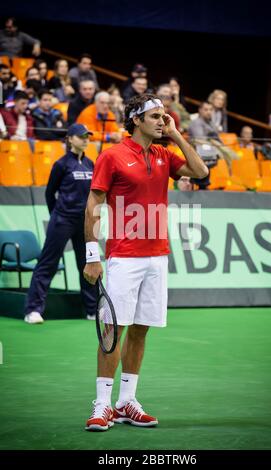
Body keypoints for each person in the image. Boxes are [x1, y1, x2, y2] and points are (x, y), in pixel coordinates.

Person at [83, 93, 208, 431]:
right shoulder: (112, 156)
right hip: (124, 256)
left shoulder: (164, 154)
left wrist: (176, 135)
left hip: (157, 257)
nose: (161, 120)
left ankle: (126, 402)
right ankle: (101, 405)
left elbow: (200, 171)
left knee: (140, 331)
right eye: (155, 116)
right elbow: (94, 202)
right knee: (113, 330)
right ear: (135, 119)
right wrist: (92, 254)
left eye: (164, 116)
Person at [24, 124, 97, 324]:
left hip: (85, 223)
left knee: (88, 265)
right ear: (70, 139)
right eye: (81, 136)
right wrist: (56, 214)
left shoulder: (92, 165)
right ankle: (33, 310)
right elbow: (50, 194)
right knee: (48, 263)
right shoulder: (61, 164)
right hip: (62, 219)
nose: (85, 140)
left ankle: (92, 310)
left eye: (87, 137)